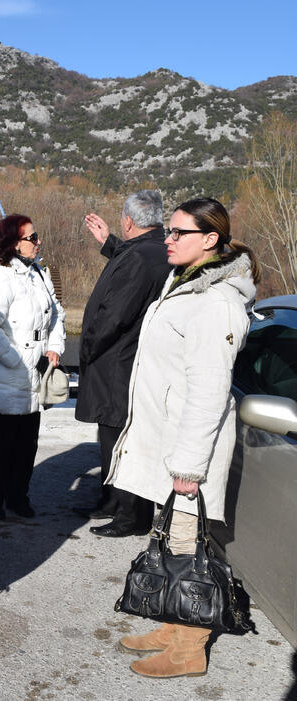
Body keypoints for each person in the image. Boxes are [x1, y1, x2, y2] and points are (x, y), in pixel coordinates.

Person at [107, 198, 258, 679]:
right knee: (174, 539)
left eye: (177, 233)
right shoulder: (186, 283)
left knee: (190, 546)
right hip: (167, 441)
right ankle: (172, 625)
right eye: (167, 231)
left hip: (188, 450)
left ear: (210, 240)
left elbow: (210, 392)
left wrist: (190, 467)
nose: (166, 239)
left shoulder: (217, 301)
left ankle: (190, 646)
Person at [73, 192, 172, 537]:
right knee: (111, 433)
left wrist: (86, 349)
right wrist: (108, 242)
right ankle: (111, 501)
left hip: (118, 362)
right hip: (129, 360)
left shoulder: (142, 257)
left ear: (128, 221)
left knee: (121, 435)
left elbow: (115, 315)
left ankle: (132, 515)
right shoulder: (155, 249)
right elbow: (133, 258)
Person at [0, 214, 65, 520]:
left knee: (27, 441)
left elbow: (56, 315)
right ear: (14, 242)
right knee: (1, 442)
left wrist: (54, 347)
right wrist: (15, 360)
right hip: (8, 372)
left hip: (34, 372)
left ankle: (17, 498)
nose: (38, 242)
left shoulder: (37, 272)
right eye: (32, 237)